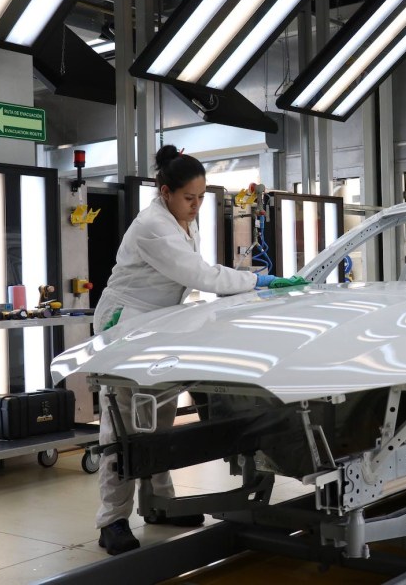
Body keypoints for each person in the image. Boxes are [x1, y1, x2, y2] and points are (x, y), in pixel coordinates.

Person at [94, 145, 292, 555]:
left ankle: (159, 504)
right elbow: (198, 273)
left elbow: (195, 271)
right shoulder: (152, 225)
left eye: (202, 197)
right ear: (165, 192)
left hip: (158, 323)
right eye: (190, 198)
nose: (197, 206)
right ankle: (112, 520)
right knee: (124, 423)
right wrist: (259, 281)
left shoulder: (182, 222)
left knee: (160, 417)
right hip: (125, 323)